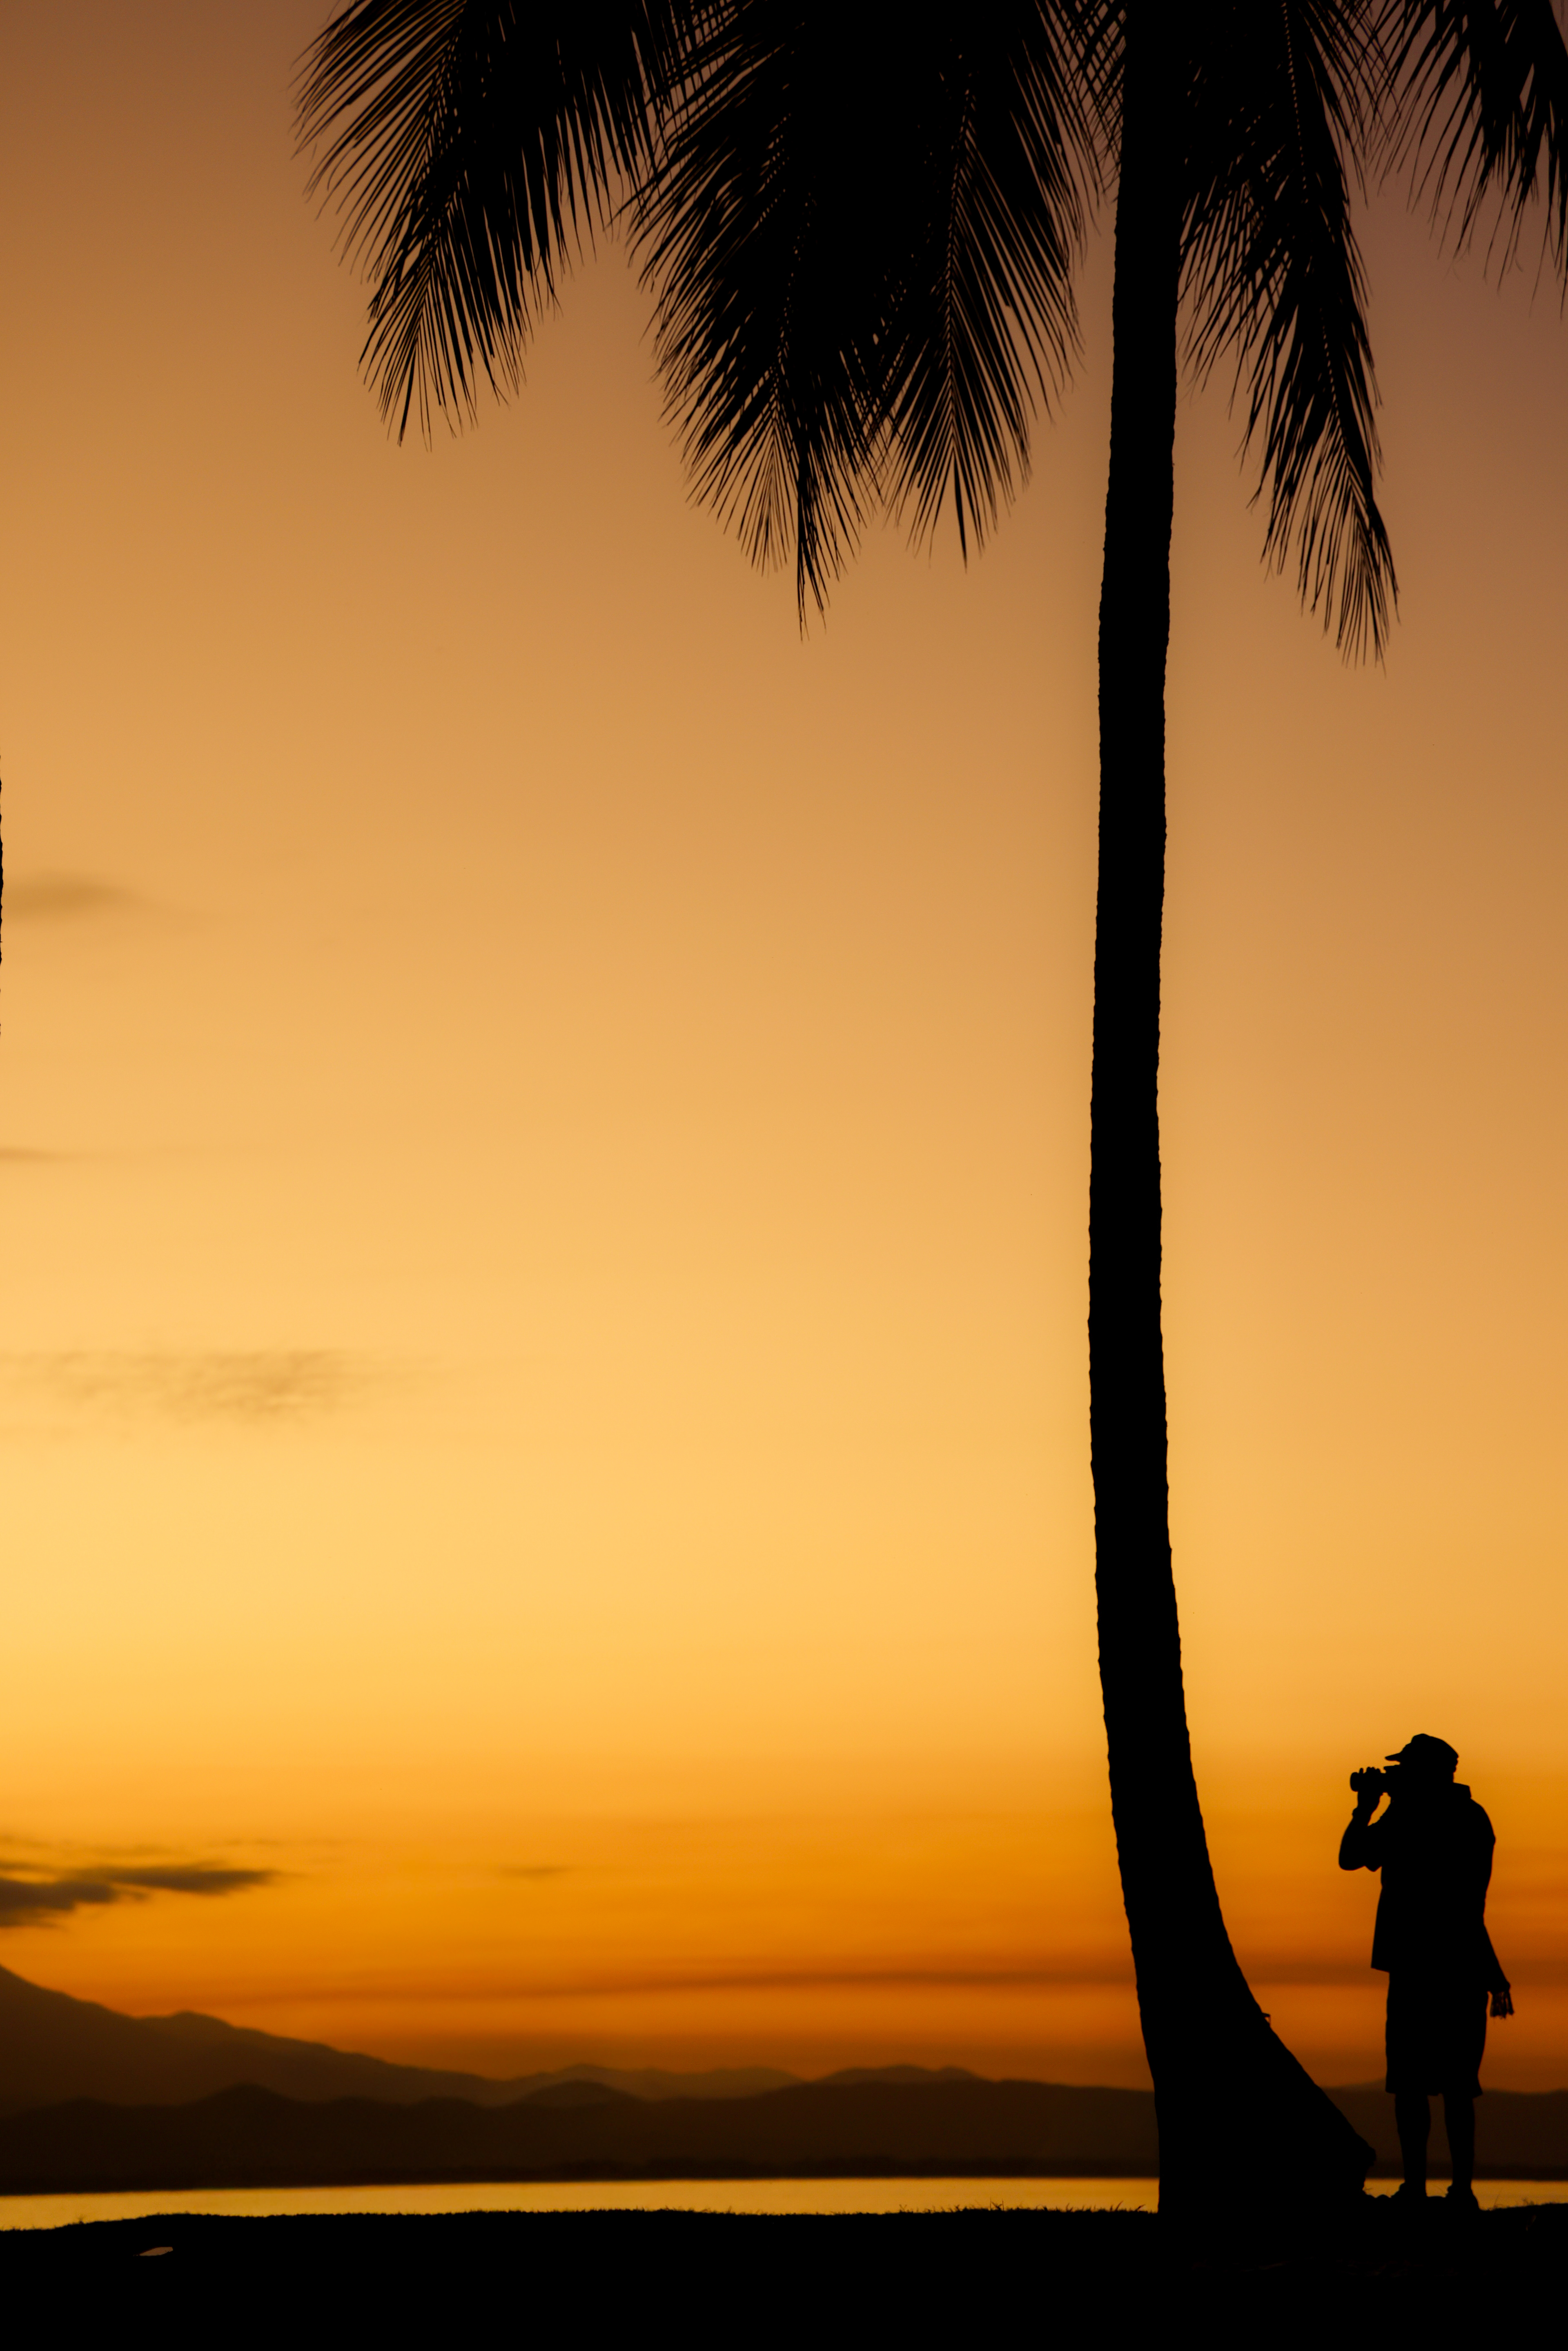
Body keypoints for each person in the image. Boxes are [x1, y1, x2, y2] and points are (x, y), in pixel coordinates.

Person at [1339, 1734, 1512, 2212]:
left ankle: (1430, 2189)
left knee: (1422, 2084)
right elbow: (1353, 1858)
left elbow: (1352, 1855)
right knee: (1443, 2086)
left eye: (1408, 1769)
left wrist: (1367, 1808)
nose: (1399, 1776)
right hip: (1455, 1966)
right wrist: (1380, 1806)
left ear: (1430, 1772)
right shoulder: (1462, 1816)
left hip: (1427, 1966)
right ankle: (1453, 2190)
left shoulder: (1420, 1816)